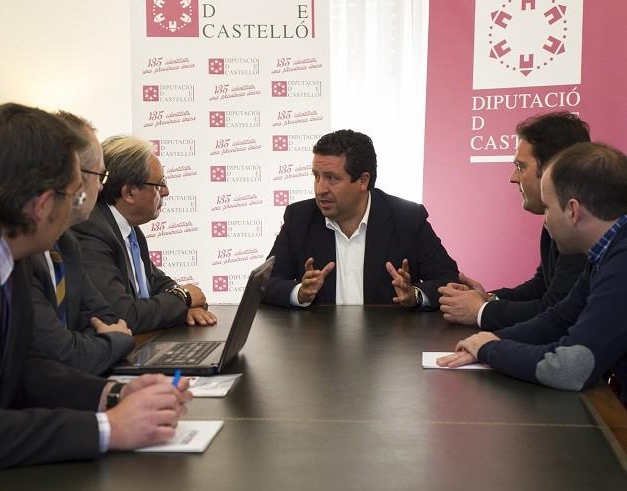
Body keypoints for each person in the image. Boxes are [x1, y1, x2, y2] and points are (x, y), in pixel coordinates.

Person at [0, 103, 191, 480]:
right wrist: (109, 428)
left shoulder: (1, 240)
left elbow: (22, 367)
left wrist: (114, 395)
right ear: (43, 204)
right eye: (75, 195)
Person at [438, 143, 627, 404]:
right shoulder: (605, 254)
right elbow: (560, 319)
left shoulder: (621, 264)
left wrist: (491, 349)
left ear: (573, 211)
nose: (545, 220)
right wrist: (490, 339)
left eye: (548, 208)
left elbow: (571, 368)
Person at [262, 129, 458, 309]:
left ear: (363, 181)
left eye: (331, 178)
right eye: (316, 176)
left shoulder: (407, 219)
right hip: (320, 336)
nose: (320, 189)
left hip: (387, 335)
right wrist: (299, 293)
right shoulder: (299, 218)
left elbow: (450, 281)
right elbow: (264, 285)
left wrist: (415, 295)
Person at [439, 112, 590, 329]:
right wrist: (488, 298)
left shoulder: (581, 225)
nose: (513, 177)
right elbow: (542, 286)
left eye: (521, 166)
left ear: (552, 169)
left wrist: (481, 311)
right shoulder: (557, 217)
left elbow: (557, 310)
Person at [72, 135, 217, 333]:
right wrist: (183, 297)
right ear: (129, 193)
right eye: (160, 184)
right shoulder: (91, 230)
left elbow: (156, 281)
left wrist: (184, 304)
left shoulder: (129, 229)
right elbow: (123, 316)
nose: (166, 191)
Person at [29, 112, 134, 375]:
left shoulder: (66, 243)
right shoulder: (25, 251)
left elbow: (105, 316)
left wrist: (87, 343)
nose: (101, 188)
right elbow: (61, 353)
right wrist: (112, 341)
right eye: (101, 176)